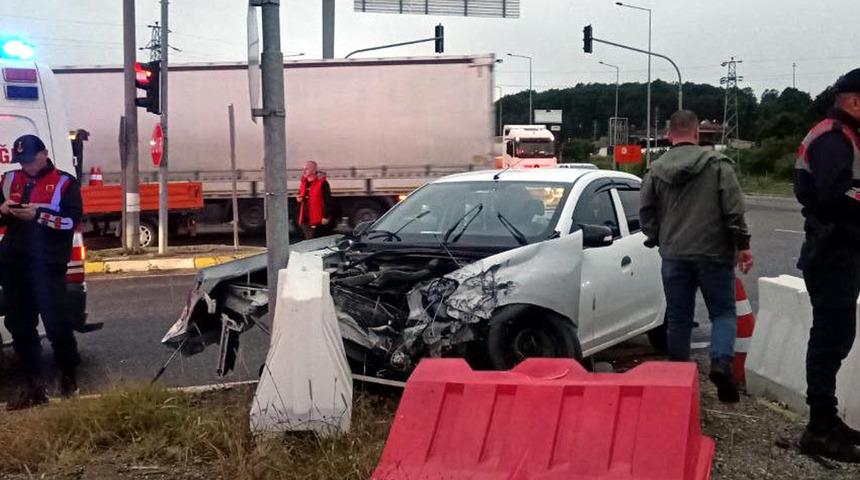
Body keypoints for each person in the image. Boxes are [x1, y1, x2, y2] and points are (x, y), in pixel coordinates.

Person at [640, 110, 753, 404]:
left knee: (678, 318)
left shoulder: (655, 169)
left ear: (668, 135)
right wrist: (742, 245)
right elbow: (733, 210)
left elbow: (646, 214)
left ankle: (677, 383)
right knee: (723, 313)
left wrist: (657, 238)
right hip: (714, 253)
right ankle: (721, 363)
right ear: (697, 133)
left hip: (674, 254)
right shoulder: (718, 165)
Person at [794, 68, 860, 462]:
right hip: (831, 251)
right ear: (853, 101)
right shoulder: (833, 138)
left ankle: (827, 420)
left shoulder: (844, 135)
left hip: (839, 251)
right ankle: (819, 428)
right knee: (829, 342)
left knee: (836, 338)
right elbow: (838, 192)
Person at [0, 135, 83, 409]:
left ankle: (69, 379)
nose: (27, 166)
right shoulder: (9, 179)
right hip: (15, 264)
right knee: (20, 327)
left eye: (31, 160)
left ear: (44, 154)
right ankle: (34, 387)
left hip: (47, 265)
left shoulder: (65, 182)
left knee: (56, 323)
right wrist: (3, 210)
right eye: (21, 161)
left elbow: (70, 221)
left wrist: (38, 215)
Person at [297, 161, 334, 240]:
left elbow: (328, 200)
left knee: (317, 240)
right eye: (304, 169)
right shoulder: (304, 181)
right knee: (309, 240)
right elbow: (301, 193)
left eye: (307, 169)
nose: (304, 171)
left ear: (314, 170)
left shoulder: (322, 183)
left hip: (317, 218)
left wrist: (326, 216)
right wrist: (299, 198)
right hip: (305, 218)